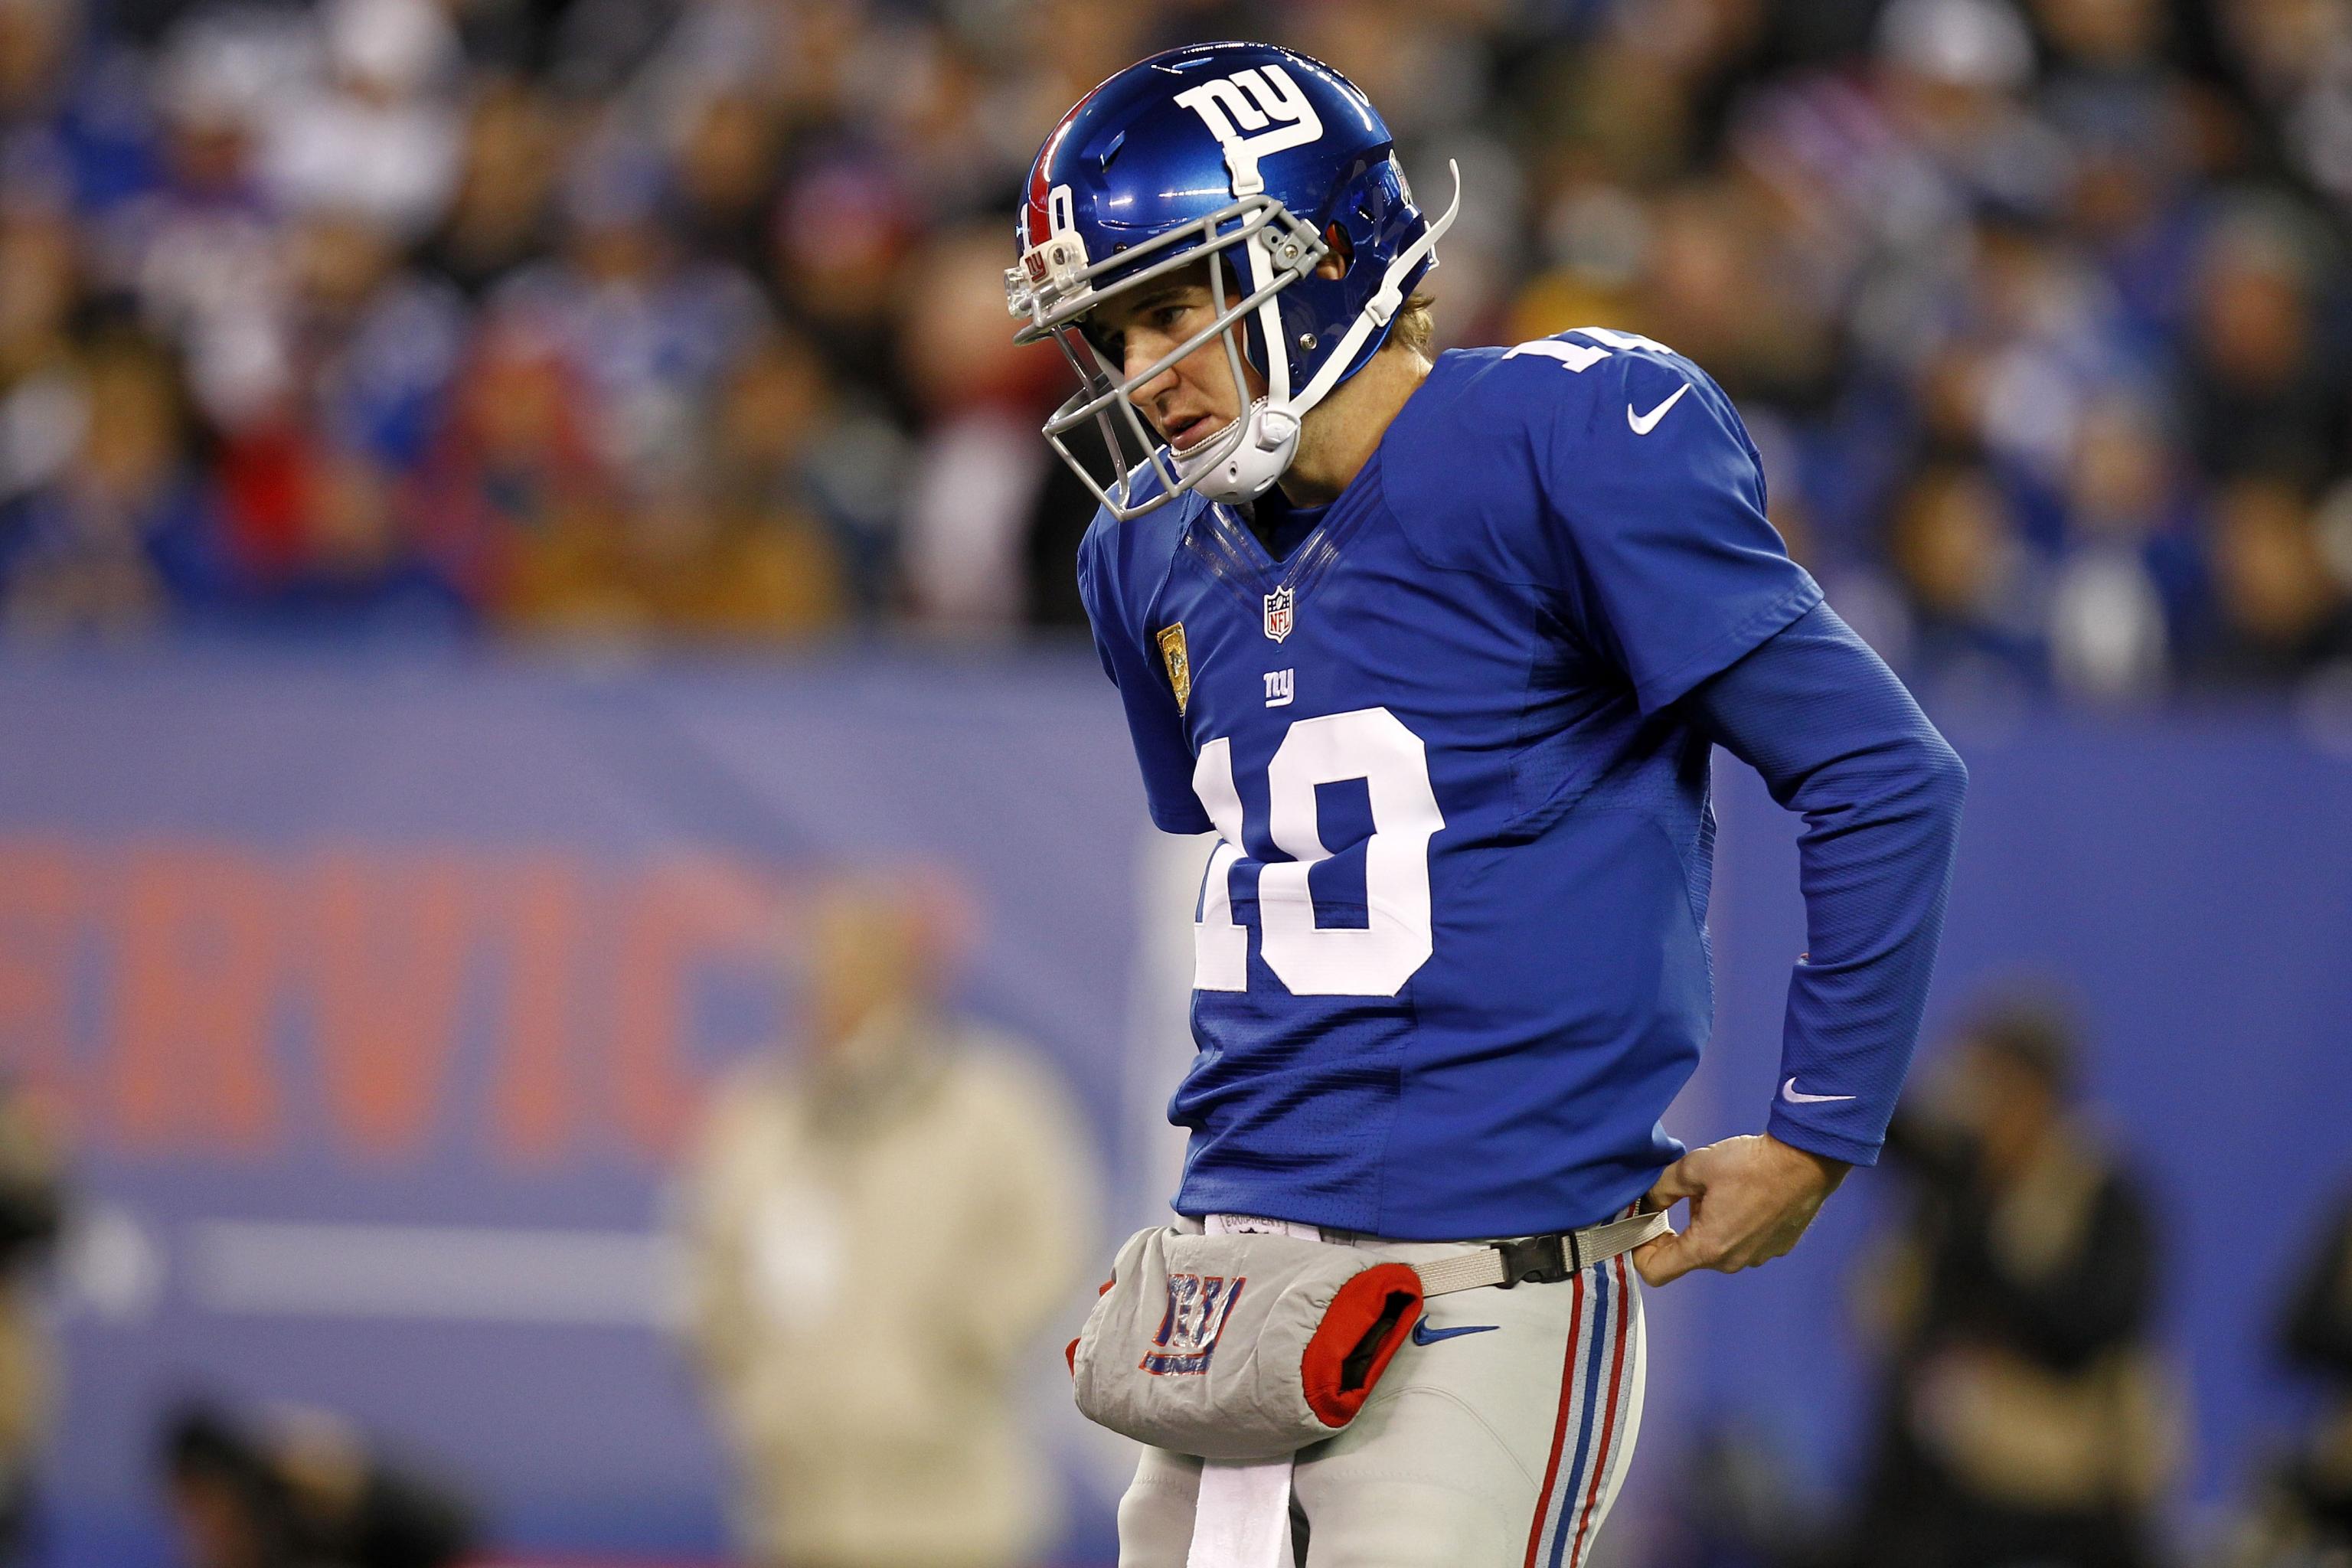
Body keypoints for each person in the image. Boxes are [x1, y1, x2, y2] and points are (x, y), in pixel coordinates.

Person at [1007, 41, 1968, 1566]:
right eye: (1113, 332)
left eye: (1176, 306)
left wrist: (1817, 1131)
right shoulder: (1143, 555)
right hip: (1223, 1289)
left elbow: (1877, 770)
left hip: (1481, 1278)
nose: (1142, 375)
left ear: (1318, 255)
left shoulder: (1561, 441)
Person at [677, 872, 1096, 1568]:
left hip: (953, 1508)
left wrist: (960, 1351)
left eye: (854, 958)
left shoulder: (994, 1108)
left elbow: (1049, 1247)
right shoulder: (758, 1115)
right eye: (815, 960)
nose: (829, 979)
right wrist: (762, 1398)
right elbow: (707, 1273)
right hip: (794, 1509)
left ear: (908, 973)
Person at [1848, 999, 2174, 1568]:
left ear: (2039, 1093)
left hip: (2062, 1491)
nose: (1977, 1107)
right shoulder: (1951, 1190)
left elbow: (2087, 1329)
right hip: (1931, 1489)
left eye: (1994, 1086)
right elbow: (1893, 1321)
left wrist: (1982, 1247)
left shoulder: (2103, 1194)